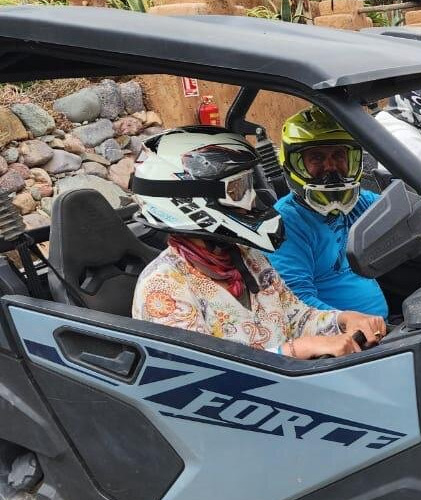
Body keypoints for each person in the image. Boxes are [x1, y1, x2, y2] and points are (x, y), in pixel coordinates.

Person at [131, 127, 384, 359]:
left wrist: (343, 320)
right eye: (238, 188)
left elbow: (297, 317)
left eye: (249, 184)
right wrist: (295, 350)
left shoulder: (246, 257)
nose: (252, 198)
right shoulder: (162, 288)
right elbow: (200, 376)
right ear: (190, 199)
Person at [269, 106, 389, 318]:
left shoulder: (359, 203)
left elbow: (405, 208)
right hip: (344, 341)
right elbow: (296, 303)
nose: (331, 167)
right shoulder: (285, 223)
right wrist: (348, 322)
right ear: (295, 165)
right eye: (316, 158)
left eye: (339, 155)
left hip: (382, 331)